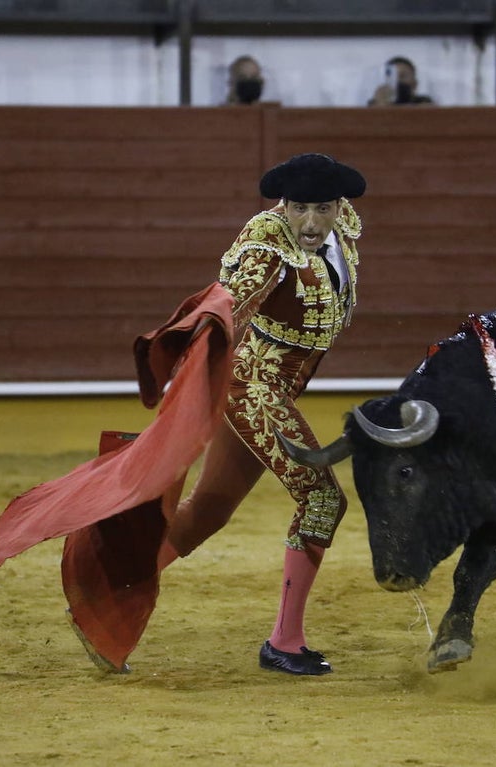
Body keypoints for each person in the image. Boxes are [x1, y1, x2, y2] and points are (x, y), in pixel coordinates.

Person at [154, 153, 365, 675]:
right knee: (321, 499)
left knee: (209, 510)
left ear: (341, 207)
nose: (311, 223)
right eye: (298, 209)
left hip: (272, 390)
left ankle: (109, 590)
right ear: (282, 205)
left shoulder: (345, 232)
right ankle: (284, 643)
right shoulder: (264, 247)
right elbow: (227, 302)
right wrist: (185, 354)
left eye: (322, 208)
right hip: (255, 388)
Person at [368, 56, 433, 106]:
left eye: (402, 76)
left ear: (414, 84)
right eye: (393, 78)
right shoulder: (376, 104)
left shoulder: (424, 103)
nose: (398, 81)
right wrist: (380, 105)